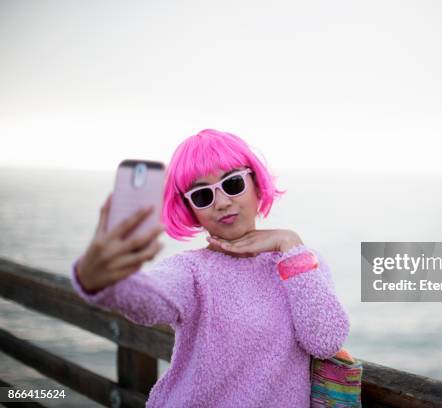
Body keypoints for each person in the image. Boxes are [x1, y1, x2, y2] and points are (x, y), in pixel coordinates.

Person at [70, 128, 350, 408]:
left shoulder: (300, 262)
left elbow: (325, 340)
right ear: (190, 209)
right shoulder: (190, 271)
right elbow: (149, 300)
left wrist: (288, 241)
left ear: (255, 182)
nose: (222, 203)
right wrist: (102, 281)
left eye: (233, 184)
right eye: (203, 196)